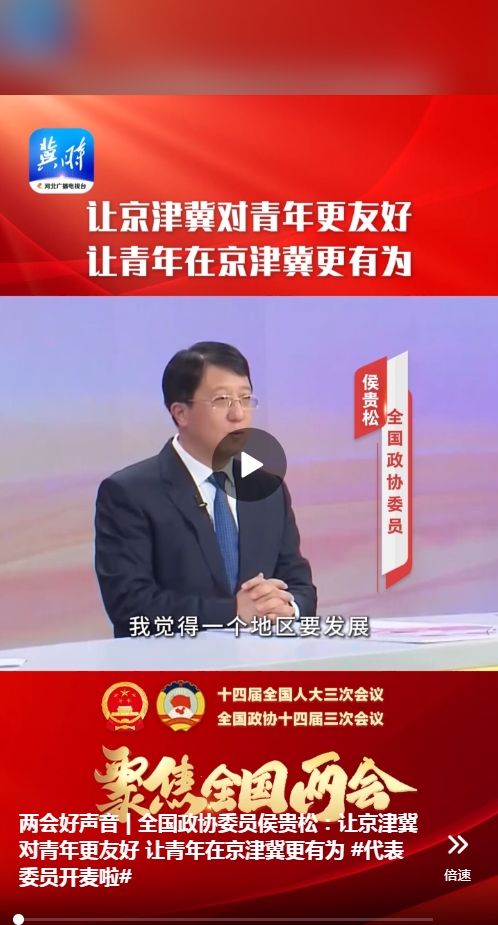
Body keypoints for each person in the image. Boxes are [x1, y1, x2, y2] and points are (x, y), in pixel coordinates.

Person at [94, 341, 316, 637]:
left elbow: (299, 585)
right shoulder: (129, 493)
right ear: (180, 413)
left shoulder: (267, 489)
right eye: (222, 400)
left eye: (245, 398)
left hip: (262, 661)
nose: (238, 415)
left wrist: (288, 608)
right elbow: (130, 603)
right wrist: (232, 612)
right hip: (170, 664)